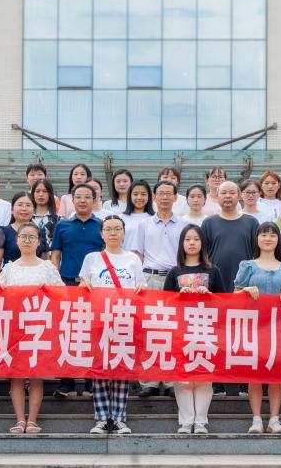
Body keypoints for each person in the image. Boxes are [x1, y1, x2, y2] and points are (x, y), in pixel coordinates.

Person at [78, 215, 145, 435]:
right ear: (101, 233)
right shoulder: (92, 258)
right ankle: (101, 419)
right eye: (108, 229)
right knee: (100, 369)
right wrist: (84, 285)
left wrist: (140, 290)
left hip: (125, 320)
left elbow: (141, 288)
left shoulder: (133, 259)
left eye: (117, 229)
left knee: (121, 368)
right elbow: (82, 286)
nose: (113, 233)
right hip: (99, 321)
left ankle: (118, 419)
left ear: (124, 233)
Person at [0, 222, 64, 434]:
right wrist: (1, 289)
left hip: (39, 326)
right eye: (23, 236)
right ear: (16, 240)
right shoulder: (10, 267)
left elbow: (62, 294)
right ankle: (19, 419)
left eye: (32, 237)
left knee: (36, 373)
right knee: (16, 374)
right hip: (15, 327)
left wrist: (49, 291)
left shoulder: (47, 267)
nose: (27, 240)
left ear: (39, 242)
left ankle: (32, 419)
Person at [235, 222, 281, 434]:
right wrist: (245, 291)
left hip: (279, 328)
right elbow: (233, 295)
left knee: (275, 375)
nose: (268, 238)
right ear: (257, 239)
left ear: (278, 239)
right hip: (254, 327)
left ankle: (274, 419)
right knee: (255, 374)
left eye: (272, 235)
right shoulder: (248, 266)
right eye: (263, 234)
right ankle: (256, 419)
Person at [164, 225, 225, 433]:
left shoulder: (213, 270)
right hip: (181, 330)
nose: (192, 243)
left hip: (206, 330)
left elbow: (224, 302)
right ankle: (186, 421)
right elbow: (164, 302)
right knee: (182, 377)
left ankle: (201, 421)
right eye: (188, 239)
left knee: (204, 376)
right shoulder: (174, 272)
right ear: (182, 243)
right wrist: (178, 296)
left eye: (196, 239)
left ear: (203, 244)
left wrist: (209, 295)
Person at [49, 183, 103, 398]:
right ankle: (67, 383)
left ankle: (90, 383)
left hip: (94, 287)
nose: (82, 200)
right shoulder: (62, 225)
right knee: (66, 332)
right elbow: (55, 255)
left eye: (87, 197)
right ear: (72, 200)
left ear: (94, 200)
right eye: (78, 196)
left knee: (92, 333)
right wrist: (56, 281)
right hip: (67, 284)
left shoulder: (101, 225)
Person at [133, 180, 185, 397]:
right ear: (154, 197)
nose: (164, 197)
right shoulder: (144, 224)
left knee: (174, 331)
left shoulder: (183, 224)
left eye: (168, 193)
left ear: (175, 197)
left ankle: (171, 380)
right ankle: (149, 381)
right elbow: (138, 254)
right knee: (148, 330)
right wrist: (139, 280)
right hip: (150, 278)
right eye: (160, 193)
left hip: (175, 279)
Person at [201, 181, 259, 294]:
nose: (227, 196)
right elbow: (203, 254)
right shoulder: (208, 223)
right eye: (223, 193)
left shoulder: (252, 222)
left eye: (232, 193)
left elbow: (258, 254)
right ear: (217, 197)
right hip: (215, 281)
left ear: (239, 196)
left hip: (245, 283)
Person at [0, 192, 47, 280]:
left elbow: (44, 261)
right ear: (12, 209)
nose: (24, 209)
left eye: (28, 205)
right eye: (20, 205)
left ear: (34, 210)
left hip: (36, 279)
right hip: (11, 279)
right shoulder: (3, 231)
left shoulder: (40, 231)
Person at [121, 180, 153, 250]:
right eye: (135, 194)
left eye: (143, 194)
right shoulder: (121, 218)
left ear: (149, 196)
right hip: (126, 256)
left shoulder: (154, 218)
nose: (139, 197)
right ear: (130, 196)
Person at [31, 178, 59, 247]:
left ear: (50, 194)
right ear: (33, 194)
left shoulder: (58, 219)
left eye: (45, 191)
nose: (41, 194)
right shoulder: (27, 218)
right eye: (37, 191)